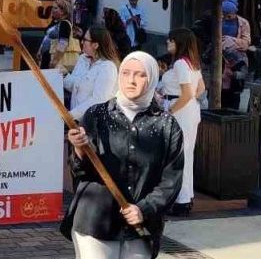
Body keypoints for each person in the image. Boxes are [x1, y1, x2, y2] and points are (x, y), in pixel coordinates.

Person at [62, 51, 183, 259]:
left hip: (140, 227)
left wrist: (144, 209)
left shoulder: (167, 125)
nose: (131, 80)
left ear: (152, 79)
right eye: (126, 73)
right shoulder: (97, 115)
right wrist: (79, 149)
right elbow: (79, 171)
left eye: (140, 75)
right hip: (96, 221)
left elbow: (171, 181)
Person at [161, 28, 203, 217]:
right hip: (189, 109)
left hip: (180, 110)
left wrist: (170, 110)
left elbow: (187, 93)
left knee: (179, 155)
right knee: (186, 154)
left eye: (171, 40)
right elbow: (200, 89)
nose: (168, 43)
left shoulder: (180, 64)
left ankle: (182, 200)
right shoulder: (192, 63)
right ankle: (185, 197)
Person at [64, 27, 120, 121]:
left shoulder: (108, 67)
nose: (82, 42)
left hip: (93, 125)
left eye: (85, 39)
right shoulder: (82, 59)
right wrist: (65, 75)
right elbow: (74, 86)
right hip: (76, 121)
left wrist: (71, 115)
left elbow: (99, 100)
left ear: (95, 45)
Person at [220, 0, 251, 110]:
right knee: (220, 93)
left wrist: (231, 40)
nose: (228, 17)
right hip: (220, 62)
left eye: (230, 15)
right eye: (226, 15)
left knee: (234, 94)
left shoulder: (243, 23)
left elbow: (246, 43)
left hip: (236, 62)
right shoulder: (218, 21)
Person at [37, 0, 75, 72]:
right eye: (53, 8)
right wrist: (40, 50)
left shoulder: (64, 24)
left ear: (63, 11)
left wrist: (54, 61)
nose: (52, 10)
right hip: (46, 57)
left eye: (55, 8)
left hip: (53, 61)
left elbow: (63, 43)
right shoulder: (55, 22)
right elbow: (47, 36)